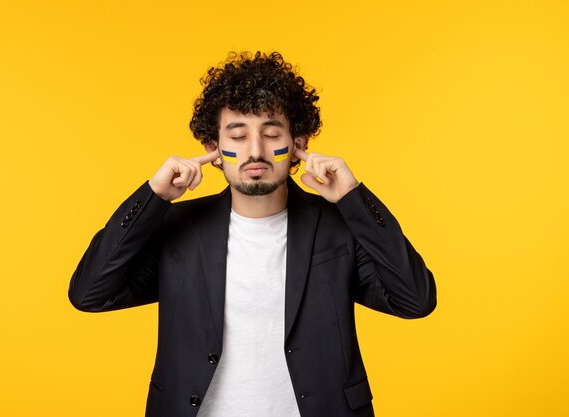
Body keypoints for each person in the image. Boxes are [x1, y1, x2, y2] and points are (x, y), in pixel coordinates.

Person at [68, 51, 437, 417]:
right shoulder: (176, 228)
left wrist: (354, 200)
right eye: (238, 135)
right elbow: (89, 293)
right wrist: (154, 196)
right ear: (214, 148)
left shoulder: (339, 227)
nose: (255, 151)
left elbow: (415, 299)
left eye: (272, 133)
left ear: (298, 145)